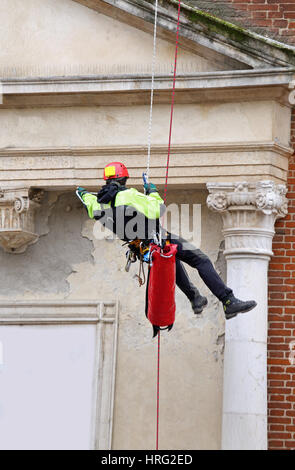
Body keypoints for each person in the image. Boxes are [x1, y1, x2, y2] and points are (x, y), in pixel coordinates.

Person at [76, 162, 257, 320]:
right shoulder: (129, 195)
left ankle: (195, 298)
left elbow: (88, 200)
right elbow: (158, 209)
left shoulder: (98, 203)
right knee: (199, 259)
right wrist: (152, 192)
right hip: (157, 239)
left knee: (173, 260)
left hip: (141, 249)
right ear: (124, 180)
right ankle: (228, 300)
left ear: (106, 180)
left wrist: (83, 193)